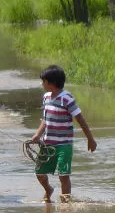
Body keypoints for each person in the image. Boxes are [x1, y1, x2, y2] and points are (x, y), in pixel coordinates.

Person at [29, 65, 97, 203]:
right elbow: (45, 120)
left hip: (64, 145)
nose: (42, 84)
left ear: (52, 83)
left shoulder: (66, 98)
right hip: (47, 143)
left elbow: (80, 119)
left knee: (63, 175)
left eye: (44, 81)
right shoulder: (46, 97)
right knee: (39, 172)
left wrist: (90, 139)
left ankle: (66, 202)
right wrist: (37, 135)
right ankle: (48, 189)